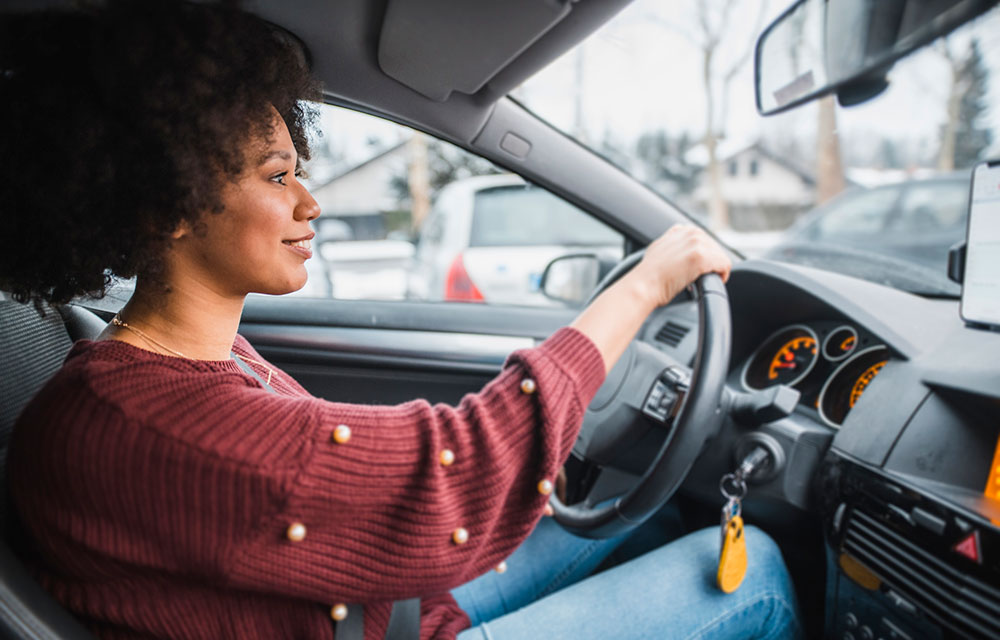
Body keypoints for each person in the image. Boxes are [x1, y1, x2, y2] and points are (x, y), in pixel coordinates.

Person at [0, 2, 802, 638]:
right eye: (278, 176)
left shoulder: (190, 366)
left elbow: (344, 484)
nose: (311, 203)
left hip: (372, 609)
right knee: (756, 566)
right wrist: (644, 286)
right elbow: (455, 473)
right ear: (161, 205)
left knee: (654, 514)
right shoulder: (145, 426)